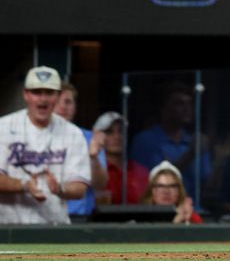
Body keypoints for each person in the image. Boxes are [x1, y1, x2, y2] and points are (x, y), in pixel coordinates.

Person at [0, 66, 91, 224]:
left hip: (54, 226)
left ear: (57, 96)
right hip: (8, 226)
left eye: (49, 92)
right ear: (26, 94)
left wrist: (60, 188)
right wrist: (24, 185)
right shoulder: (4, 127)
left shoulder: (73, 133)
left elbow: (79, 188)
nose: (43, 99)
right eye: (37, 92)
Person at [130, 82, 210, 202]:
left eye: (189, 103)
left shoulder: (195, 141)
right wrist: (190, 155)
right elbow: (147, 184)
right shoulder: (145, 141)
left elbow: (207, 184)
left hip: (194, 211)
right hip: (158, 212)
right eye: (179, 103)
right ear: (164, 108)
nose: (187, 108)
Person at [54, 82, 109, 218]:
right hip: (44, 215)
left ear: (75, 107)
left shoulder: (88, 138)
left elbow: (100, 185)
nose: (63, 107)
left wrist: (93, 157)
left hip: (79, 217)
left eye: (68, 102)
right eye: (57, 102)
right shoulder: (36, 136)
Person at [92, 111, 150, 204]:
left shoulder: (141, 171)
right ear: (97, 136)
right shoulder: (93, 170)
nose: (117, 136)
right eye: (109, 132)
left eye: (121, 131)